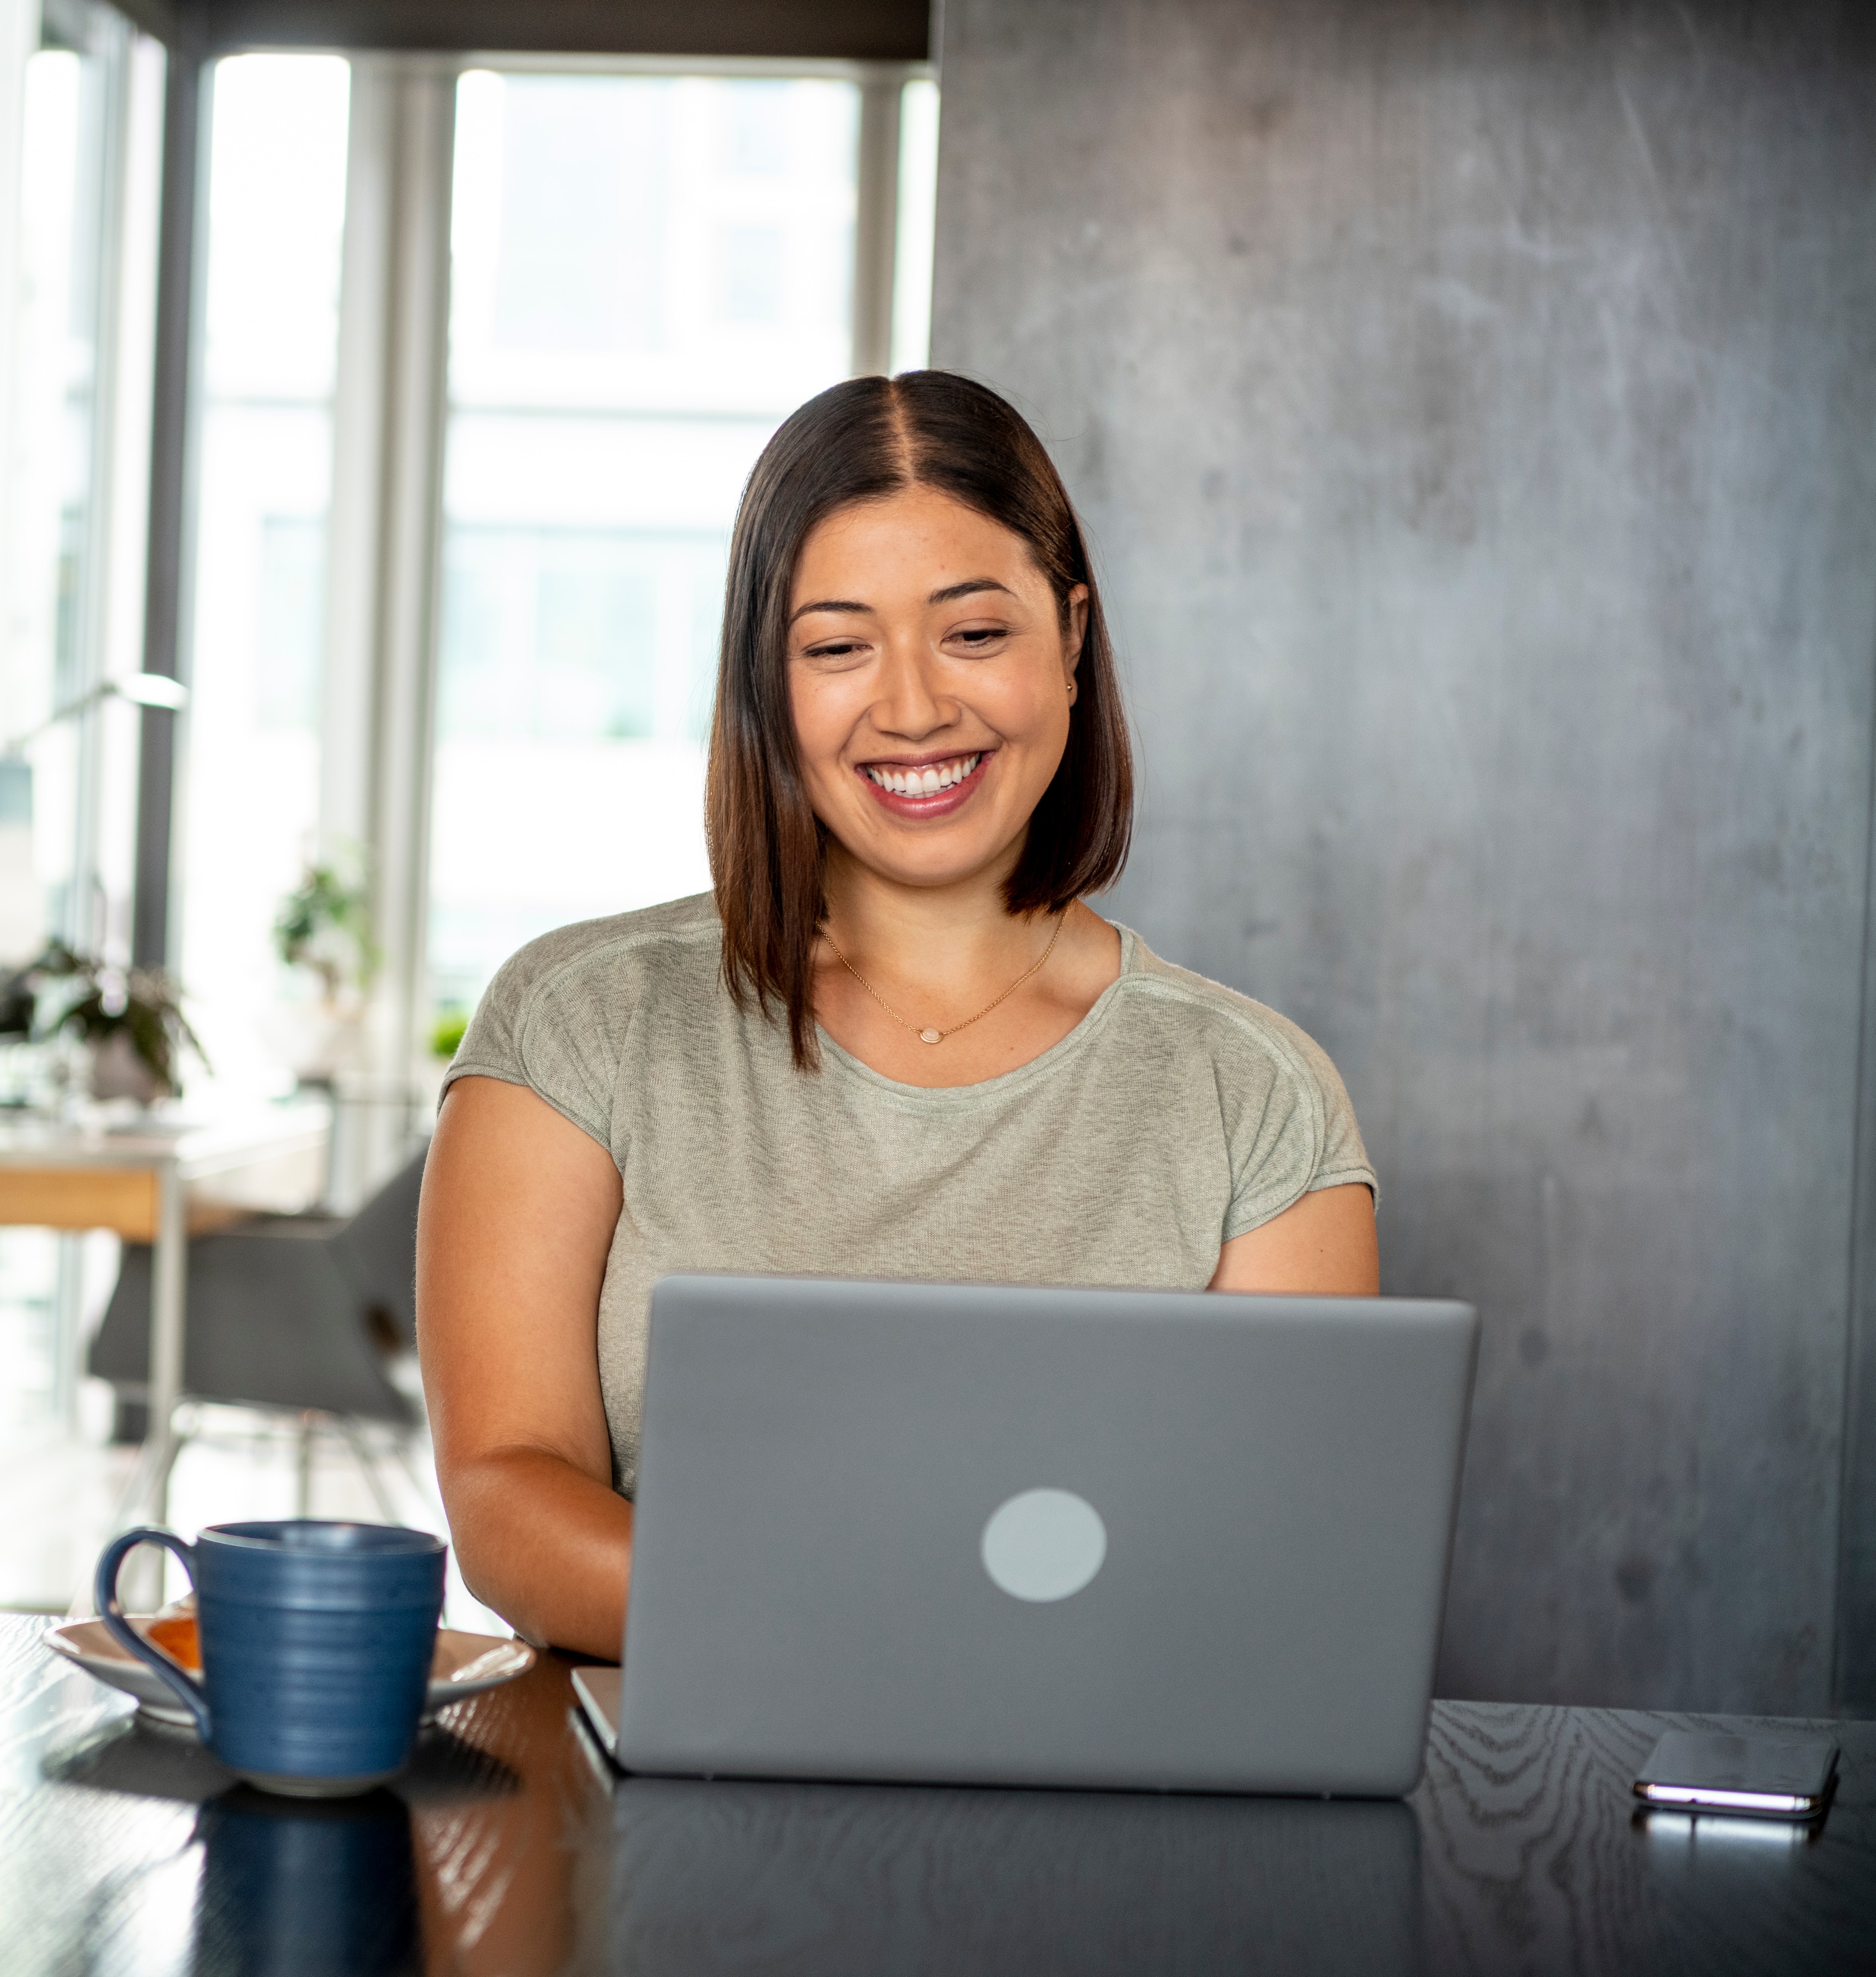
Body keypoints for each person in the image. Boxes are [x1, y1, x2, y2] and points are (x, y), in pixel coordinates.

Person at [416, 373, 1379, 1660]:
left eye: (973, 634)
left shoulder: (1249, 1092)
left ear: (1073, 638)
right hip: (657, 1805)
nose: (915, 705)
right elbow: (506, 1497)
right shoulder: (581, 1023)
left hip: (1096, 1812)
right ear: (767, 676)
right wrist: (884, 1629)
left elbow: (1286, 1565)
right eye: (835, 644)